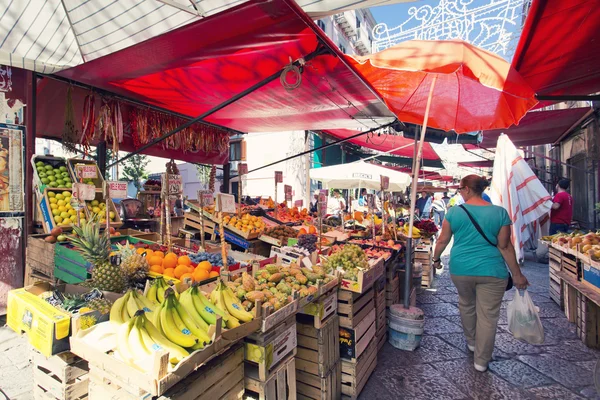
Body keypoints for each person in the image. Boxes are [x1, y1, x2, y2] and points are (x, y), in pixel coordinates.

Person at [432, 175, 528, 373]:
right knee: (488, 315)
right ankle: (481, 361)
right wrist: (517, 274)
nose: (459, 192)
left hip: (461, 269)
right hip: (493, 271)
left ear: (467, 189)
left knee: (466, 305)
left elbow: (442, 240)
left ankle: (472, 342)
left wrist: (435, 259)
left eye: (460, 189)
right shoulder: (500, 213)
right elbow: (505, 246)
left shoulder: (454, 213)